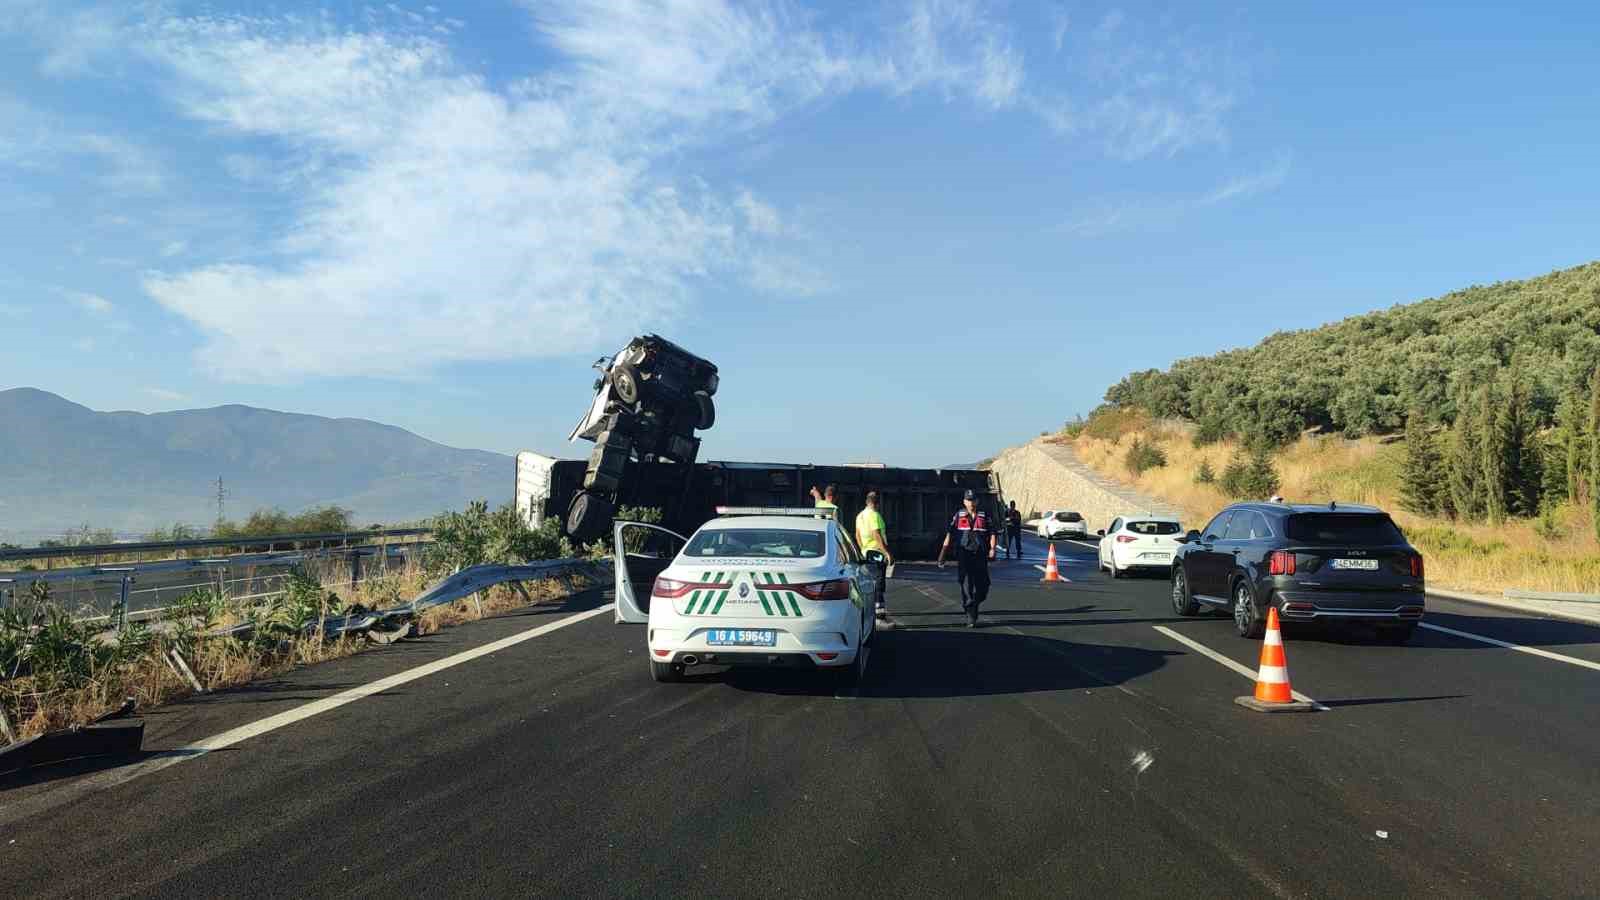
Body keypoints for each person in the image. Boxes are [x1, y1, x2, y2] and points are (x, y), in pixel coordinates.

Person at [936, 489, 996, 627]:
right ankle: (971, 614)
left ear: (977, 501)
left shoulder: (985, 515)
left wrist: (992, 548)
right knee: (966, 585)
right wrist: (942, 554)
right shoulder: (959, 515)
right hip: (964, 554)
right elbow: (949, 535)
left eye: (973, 500)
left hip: (980, 554)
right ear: (964, 501)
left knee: (984, 586)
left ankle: (973, 603)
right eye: (968, 500)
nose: (971, 503)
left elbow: (992, 533)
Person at [855, 490, 893, 619]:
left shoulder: (860, 516)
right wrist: (887, 553)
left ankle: (869, 608)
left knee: (868, 581)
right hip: (877, 552)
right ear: (876, 504)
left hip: (865, 552)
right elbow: (876, 534)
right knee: (879, 581)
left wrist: (862, 549)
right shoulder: (875, 515)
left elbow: (857, 535)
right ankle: (879, 609)